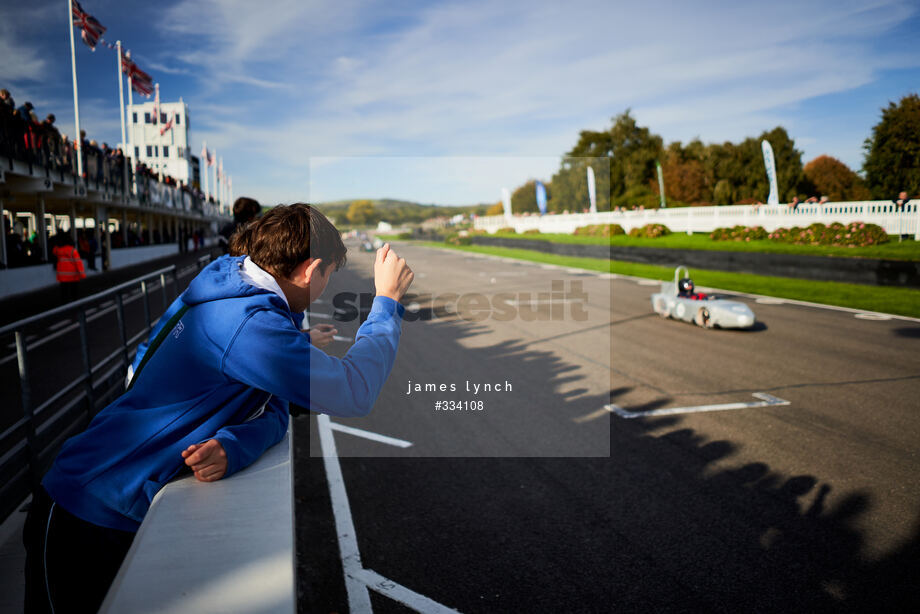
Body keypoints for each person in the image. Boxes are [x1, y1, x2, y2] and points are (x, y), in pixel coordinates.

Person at [24, 203, 414, 613]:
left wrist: (236, 441)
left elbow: (274, 403)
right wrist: (386, 303)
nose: (325, 285)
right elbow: (354, 392)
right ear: (309, 269)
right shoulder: (250, 325)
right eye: (329, 275)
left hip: (106, 502)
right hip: (86, 513)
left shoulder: (229, 285)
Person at [51, 233, 87, 304]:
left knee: (64, 294)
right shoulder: (73, 251)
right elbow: (78, 263)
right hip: (73, 276)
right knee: (74, 294)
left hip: (62, 277)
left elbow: (54, 250)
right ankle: (74, 306)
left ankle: (65, 307)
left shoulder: (58, 250)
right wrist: (82, 274)